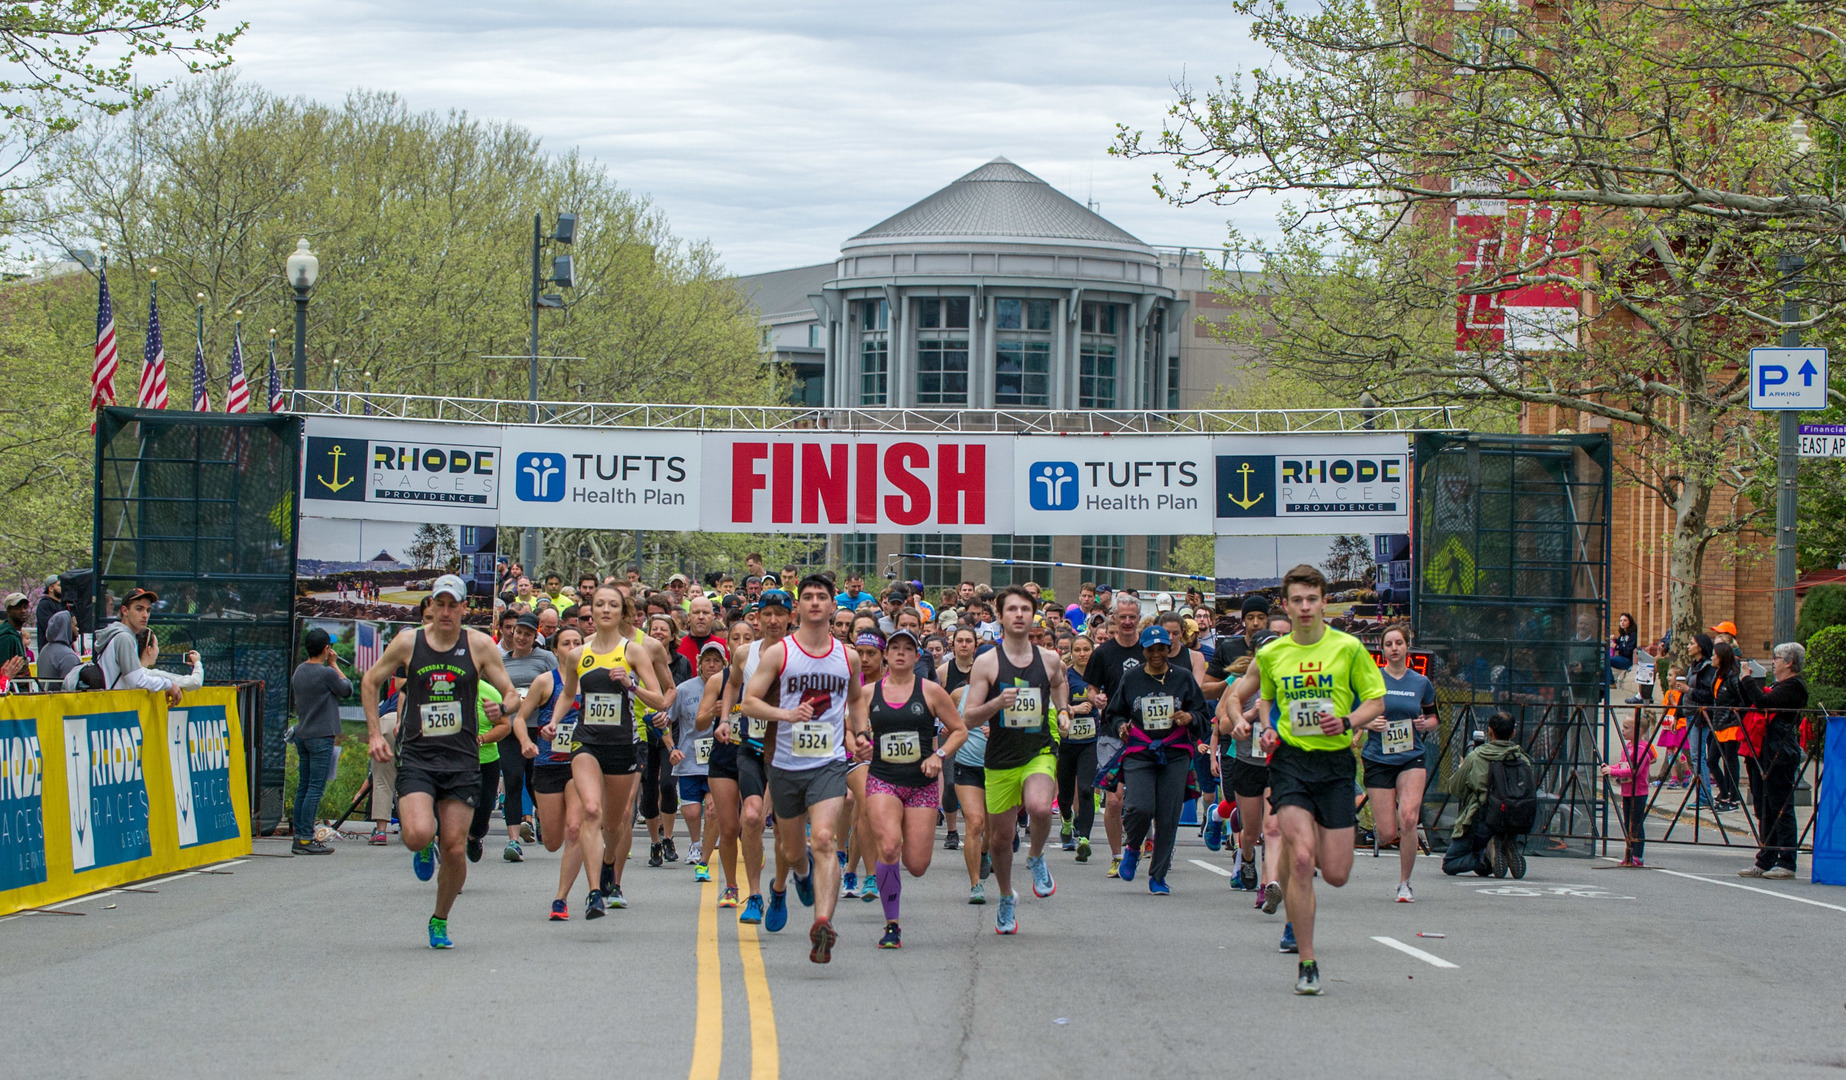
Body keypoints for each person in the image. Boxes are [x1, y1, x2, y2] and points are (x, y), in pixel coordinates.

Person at [361, 574, 520, 948]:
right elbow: (370, 681)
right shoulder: (408, 642)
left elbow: (512, 694)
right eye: (440, 604)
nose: (446, 612)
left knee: (454, 846)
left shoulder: (479, 646)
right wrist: (372, 734)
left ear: (464, 609)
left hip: (463, 760)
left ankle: (439, 919)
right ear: (429, 606)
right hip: (418, 755)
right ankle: (422, 845)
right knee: (417, 833)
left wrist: (504, 707)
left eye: (453, 605)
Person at [1254, 564, 1385, 995]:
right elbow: (1269, 702)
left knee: (1337, 873)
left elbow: (1375, 699)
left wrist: (1347, 720)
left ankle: (1298, 867)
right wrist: (1270, 727)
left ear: (1324, 602)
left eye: (1312, 599)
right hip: (1291, 762)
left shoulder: (1347, 648)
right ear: (1287, 606)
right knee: (1305, 859)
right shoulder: (1273, 654)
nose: (1305, 607)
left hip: (1335, 766)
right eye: (1297, 600)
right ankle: (1306, 961)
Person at [742, 574, 866, 964]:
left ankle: (823, 924)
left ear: (834, 606)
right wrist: (786, 714)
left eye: (822, 597)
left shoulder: (848, 656)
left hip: (828, 761)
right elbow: (748, 703)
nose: (815, 602)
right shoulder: (780, 653)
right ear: (799, 607)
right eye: (808, 597)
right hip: (783, 762)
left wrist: (860, 731)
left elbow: (857, 699)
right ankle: (792, 878)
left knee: (825, 839)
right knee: (793, 849)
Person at [558, 585, 674, 916]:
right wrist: (555, 720)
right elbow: (569, 693)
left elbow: (666, 692)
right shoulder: (580, 653)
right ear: (590, 611)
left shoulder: (645, 647)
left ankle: (613, 873)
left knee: (621, 816)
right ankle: (596, 890)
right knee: (593, 812)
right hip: (590, 739)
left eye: (614, 604)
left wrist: (637, 690)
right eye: (600, 604)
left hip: (633, 735)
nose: (606, 609)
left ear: (625, 611)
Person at [851, 628, 969, 948]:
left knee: (917, 865)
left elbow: (959, 731)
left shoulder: (931, 692)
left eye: (908, 648)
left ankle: (898, 854)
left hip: (922, 785)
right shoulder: (867, 693)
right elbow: (849, 728)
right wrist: (859, 743)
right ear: (886, 656)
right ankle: (892, 924)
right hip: (882, 779)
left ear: (917, 657)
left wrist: (939, 755)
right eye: (895, 648)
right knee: (889, 847)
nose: (901, 653)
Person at [962, 585, 1069, 935]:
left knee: (1040, 807)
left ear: (1033, 614)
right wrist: (997, 704)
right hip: (1000, 759)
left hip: (1037, 751)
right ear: (1001, 616)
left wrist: (1063, 710)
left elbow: (1059, 682)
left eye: (1025, 608)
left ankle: (1037, 856)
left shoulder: (1048, 659)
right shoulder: (987, 662)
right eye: (1012, 609)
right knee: (1000, 840)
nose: (1019, 614)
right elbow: (968, 718)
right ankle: (1006, 895)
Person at [1107, 624, 1208, 895]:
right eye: (1151, 649)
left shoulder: (1183, 678)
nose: (1156, 653)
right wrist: (1120, 726)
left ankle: (1158, 876)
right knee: (1139, 807)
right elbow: (1114, 713)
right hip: (1140, 751)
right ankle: (1132, 847)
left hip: (1174, 752)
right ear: (1143, 650)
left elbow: (1202, 715)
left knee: (1168, 815)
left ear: (1169, 649)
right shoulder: (1132, 678)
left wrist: (1190, 717)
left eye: (1162, 648)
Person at [513, 626, 591, 919]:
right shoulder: (545, 681)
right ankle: (547, 830)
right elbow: (520, 719)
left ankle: (561, 899)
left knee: (575, 829)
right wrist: (525, 742)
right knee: (552, 842)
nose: (572, 647)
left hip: (581, 763)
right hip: (547, 764)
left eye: (577, 642)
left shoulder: (592, 679)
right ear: (554, 649)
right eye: (566, 643)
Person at [720, 594, 786, 925]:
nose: (773, 620)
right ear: (758, 618)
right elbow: (732, 686)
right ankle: (755, 895)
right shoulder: (745, 653)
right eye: (767, 614)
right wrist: (723, 718)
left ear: (790, 617)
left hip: (787, 751)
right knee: (751, 817)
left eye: (780, 614)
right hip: (749, 745)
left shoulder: (799, 654)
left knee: (784, 829)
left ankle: (780, 887)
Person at [1361, 625, 1439, 902]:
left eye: (1399, 643)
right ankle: (1386, 833)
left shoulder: (1421, 683)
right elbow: (1355, 715)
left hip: (1411, 756)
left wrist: (1424, 723)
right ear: (1382, 650)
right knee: (1387, 832)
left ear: (1407, 647)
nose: (1394, 648)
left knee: (1408, 818)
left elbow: (1433, 718)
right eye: (1389, 644)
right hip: (1377, 757)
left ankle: (1405, 883)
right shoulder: (1371, 679)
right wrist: (1371, 722)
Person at [1084, 592, 1145, 877]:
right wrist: (1095, 699)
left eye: (1133, 617)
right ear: (1114, 620)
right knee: (1115, 799)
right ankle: (1116, 855)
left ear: (1139, 619)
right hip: (1110, 733)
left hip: (1145, 733)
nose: (1128, 622)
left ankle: (1143, 844)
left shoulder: (1149, 650)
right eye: (1123, 617)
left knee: (1143, 799)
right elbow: (1092, 688)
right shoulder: (1103, 653)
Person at [1737, 642, 1808, 879]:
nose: (1773, 661)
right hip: (1763, 751)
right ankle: (1766, 858)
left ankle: (1787, 860)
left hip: (1779, 751)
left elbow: (1764, 704)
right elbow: (1752, 702)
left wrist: (1748, 680)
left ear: (1789, 663)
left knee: (1780, 807)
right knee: (1764, 807)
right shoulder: (1779, 685)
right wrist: (1743, 682)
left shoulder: (1794, 687)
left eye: (1776, 658)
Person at [1441, 710, 1534, 883]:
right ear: (1513, 733)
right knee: (1485, 871)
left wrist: (1463, 768)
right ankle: (1504, 845)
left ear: (1489, 732)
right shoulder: (1523, 759)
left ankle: (1485, 855)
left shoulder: (1476, 756)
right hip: (1513, 821)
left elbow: (1456, 789)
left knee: (1450, 864)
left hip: (1482, 820)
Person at [497, 613, 558, 862]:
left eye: (528, 634)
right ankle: (513, 839)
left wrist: (539, 702)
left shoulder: (545, 658)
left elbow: (559, 688)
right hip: (511, 729)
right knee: (512, 779)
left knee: (536, 782)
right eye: (518, 632)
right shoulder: (502, 662)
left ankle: (542, 819)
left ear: (536, 636)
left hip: (539, 730)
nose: (522, 637)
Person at [670, 640, 728, 883]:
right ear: (699, 664)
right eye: (707, 661)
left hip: (718, 758)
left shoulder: (731, 687)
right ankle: (696, 842)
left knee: (713, 810)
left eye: (717, 661)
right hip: (689, 757)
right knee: (692, 811)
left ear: (725, 664)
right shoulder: (684, 689)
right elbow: (665, 719)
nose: (712, 665)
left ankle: (704, 856)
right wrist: (671, 748)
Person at [289, 628, 349, 856]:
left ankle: (300, 836)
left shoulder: (300, 671)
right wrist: (334, 664)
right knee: (315, 788)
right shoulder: (326, 673)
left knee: (304, 787)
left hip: (303, 735)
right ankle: (306, 839)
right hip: (321, 736)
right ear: (326, 649)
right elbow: (347, 688)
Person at [95, 589, 183, 704]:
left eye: (148, 610)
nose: (145, 615)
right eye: (139, 609)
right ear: (124, 610)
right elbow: (136, 680)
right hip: (113, 710)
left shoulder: (121, 635)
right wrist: (168, 684)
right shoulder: (124, 637)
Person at [1056, 634, 1100, 861]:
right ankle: (1066, 821)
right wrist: (1074, 708)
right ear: (1071, 653)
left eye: (1087, 649)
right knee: (1064, 794)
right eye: (1078, 650)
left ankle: (1084, 838)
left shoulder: (1098, 675)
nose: (1083, 654)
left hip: (1090, 741)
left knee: (1085, 789)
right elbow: (1057, 703)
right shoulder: (1066, 676)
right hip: (1066, 741)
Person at [1602, 709, 1655, 866]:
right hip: (1627, 790)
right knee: (1628, 823)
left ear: (1637, 731)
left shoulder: (1641, 749)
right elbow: (1622, 765)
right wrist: (1611, 767)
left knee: (1636, 823)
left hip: (1638, 791)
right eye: (1623, 727)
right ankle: (1630, 852)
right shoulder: (1630, 747)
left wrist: (1613, 771)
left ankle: (1638, 854)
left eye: (1626, 728)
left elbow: (1633, 770)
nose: (1623, 731)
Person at [37, 609, 81, 687]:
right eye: (75, 625)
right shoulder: (68, 656)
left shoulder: (44, 650)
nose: (77, 629)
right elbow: (72, 688)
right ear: (66, 626)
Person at [33, 575, 64, 650]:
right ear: (51, 588)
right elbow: (50, 627)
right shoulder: (44, 605)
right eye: (59, 585)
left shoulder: (63, 605)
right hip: (49, 650)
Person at [0, 593, 29, 668]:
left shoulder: (16, 633)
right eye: (18, 608)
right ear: (8, 612)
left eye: (25, 607)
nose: (23, 611)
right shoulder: (6, 637)